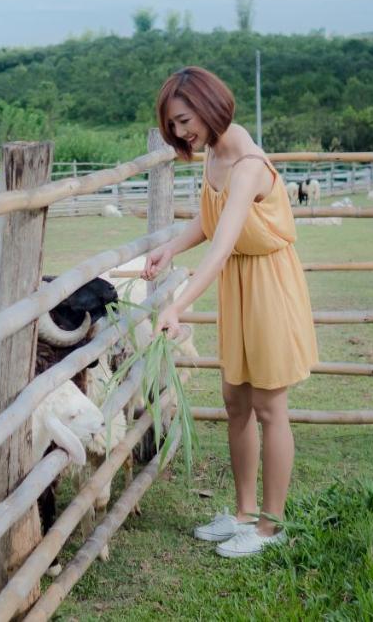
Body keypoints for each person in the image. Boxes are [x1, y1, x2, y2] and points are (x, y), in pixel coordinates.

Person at [142, 66, 318, 558]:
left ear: (208, 104)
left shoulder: (247, 164)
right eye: (173, 125)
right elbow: (210, 216)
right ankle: (242, 514)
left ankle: (270, 525)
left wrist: (177, 305)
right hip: (239, 284)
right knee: (235, 402)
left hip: (267, 285)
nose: (180, 133)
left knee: (268, 405)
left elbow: (221, 247)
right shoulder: (216, 153)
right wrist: (172, 247)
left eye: (183, 120)